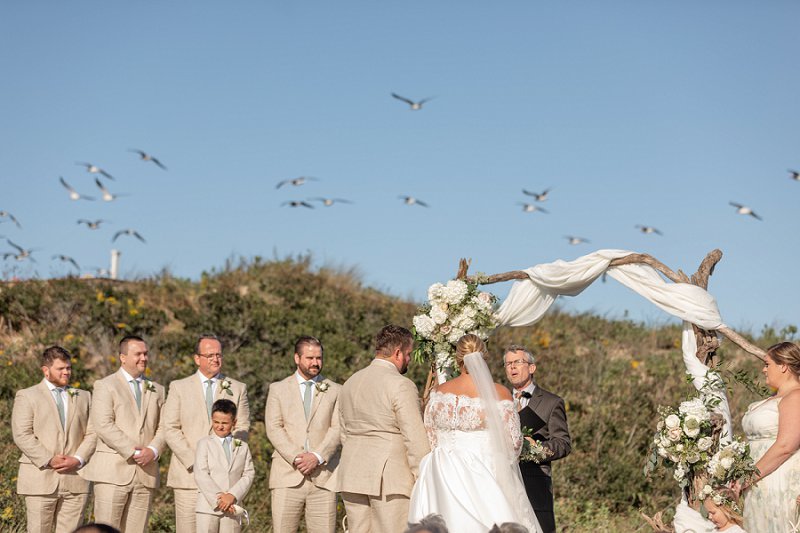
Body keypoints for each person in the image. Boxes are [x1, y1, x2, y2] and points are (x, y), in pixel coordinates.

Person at [409, 334, 542, 532]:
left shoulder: (438, 393)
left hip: (439, 471)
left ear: (457, 358)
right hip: (484, 472)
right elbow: (513, 443)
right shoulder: (499, 393)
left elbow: (431, 436)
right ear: (484, 357)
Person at [337, 325, 430, 533]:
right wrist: (423, 477)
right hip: (390, 479)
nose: (409, 360)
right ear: (397, 352)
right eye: (408, 354)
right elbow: (414, 438)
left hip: (352, 473)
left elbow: (344, 433)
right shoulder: (401, 384)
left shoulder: (349, 383)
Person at [163, 334, 250, 533]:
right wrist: (196, 463)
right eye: (209, 355)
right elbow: (170, 428)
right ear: (197, 358)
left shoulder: (238, 388)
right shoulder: (178, 387)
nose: (215, 359)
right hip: (188, 477)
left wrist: (225, 463)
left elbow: (242, 428)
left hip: (225, 483)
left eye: (218, 355)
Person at [82, 335, 166, 533]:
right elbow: (103, 424)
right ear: (123, 357)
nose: (143, 358)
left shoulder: (158, 390)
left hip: (145, 474)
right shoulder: (105, 385)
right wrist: (134, 451)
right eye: (138, 354)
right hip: (112, 473)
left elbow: (165, 426)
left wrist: (153, 451)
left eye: (145, 354)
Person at [12, 346, 97, 533]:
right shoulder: (27, 395)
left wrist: (79, 459)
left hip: (77, 480)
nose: (66, 372)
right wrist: (49, 459)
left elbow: (93, 433)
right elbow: (22, 434)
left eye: (68, 368)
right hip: (40, 479)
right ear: (46, 370)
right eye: (61, 368)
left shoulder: (84, 396)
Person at [265, 336, 341, 533]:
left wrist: (316, 457)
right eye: (310, 358)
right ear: (297, 358)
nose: (315, 362)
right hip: (287, 477)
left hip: (324, 478)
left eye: (319, 358)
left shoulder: (336, 390)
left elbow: (338, 428)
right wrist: (299, 458)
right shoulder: (278, 389)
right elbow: (273, 427)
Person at [504, 344, 571, 533]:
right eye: (508, 363)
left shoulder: (552, 402)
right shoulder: (499, 400)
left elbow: (563, 443)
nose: (512, 367)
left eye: (517, 362)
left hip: (535, 483)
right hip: (503, 482)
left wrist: (534, 449)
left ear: (532, 367)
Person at [739, 341, 800, 532]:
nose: (764, 370)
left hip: (778, 481)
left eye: (767, 364)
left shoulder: (795, 397)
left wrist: (747, 478)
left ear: (783, 366)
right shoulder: (772, 400)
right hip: (759, 482)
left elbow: (785, 446)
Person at [194, 399, 255, 533]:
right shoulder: (204, 444)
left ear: (234, 422)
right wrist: (220, 499)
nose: (220, 426)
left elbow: (248, 474)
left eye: (225, 423)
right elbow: (201, 473)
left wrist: (232, 495)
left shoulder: (242, 446)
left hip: (232, 507)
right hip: (208, 508)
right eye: (216, 422)